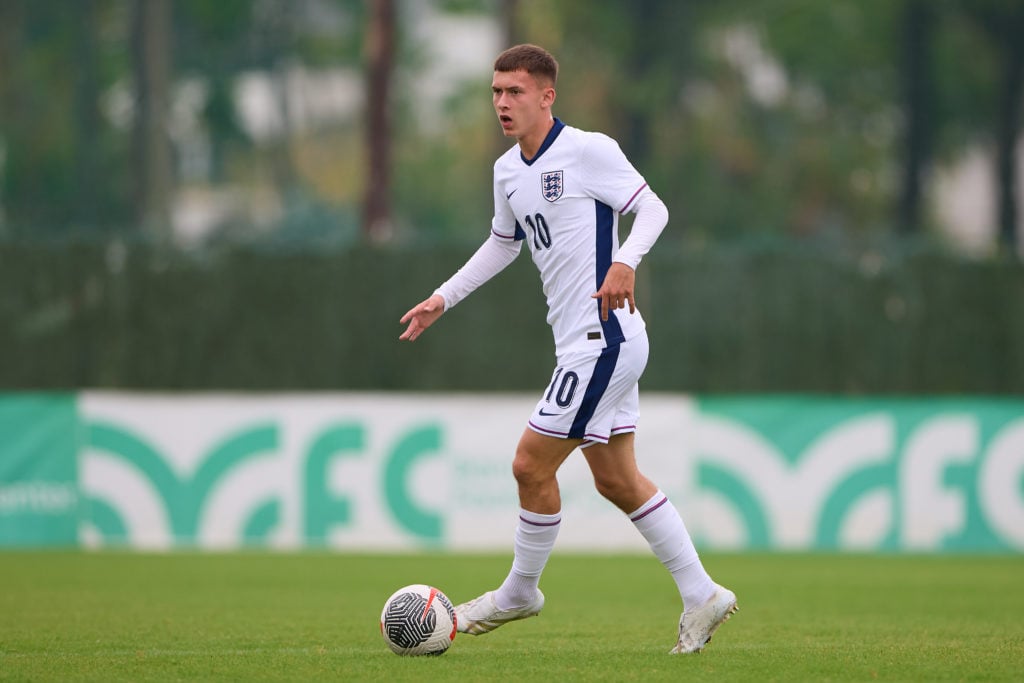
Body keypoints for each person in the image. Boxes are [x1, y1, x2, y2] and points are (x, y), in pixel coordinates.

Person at [399, 43, 736, 654]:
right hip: (587, 344)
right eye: (496, 92)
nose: (502, 103)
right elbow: (504, 244)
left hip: (602, 340)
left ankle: (520, 592)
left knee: (530, 464)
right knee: (617, 480)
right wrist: (442, 298)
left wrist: (626, 261)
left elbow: (653, 209)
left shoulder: (589, 150)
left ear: (547, 96)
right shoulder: (507, 172)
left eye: (516, 92)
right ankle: (701, 593)